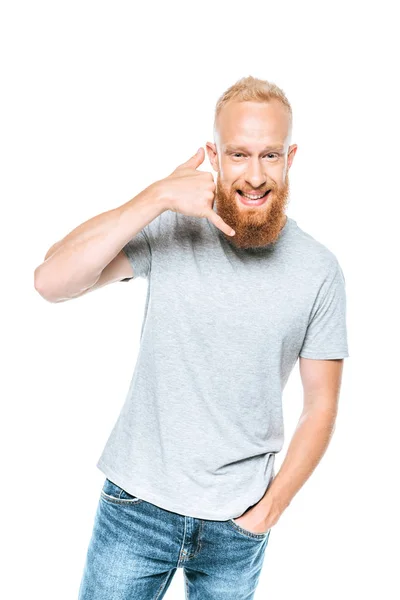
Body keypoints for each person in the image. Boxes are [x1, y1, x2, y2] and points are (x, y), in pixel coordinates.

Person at [34, 75, 349, 599]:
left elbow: (321, 406)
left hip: (237, 524)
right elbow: (51, 281)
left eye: (269, 156)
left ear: (290, 157)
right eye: (238, 154)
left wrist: (268, 511)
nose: (254, 175)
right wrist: (154, 197)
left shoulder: (319, 271)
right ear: (214, 155)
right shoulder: (174, 228)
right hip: (136, 509)